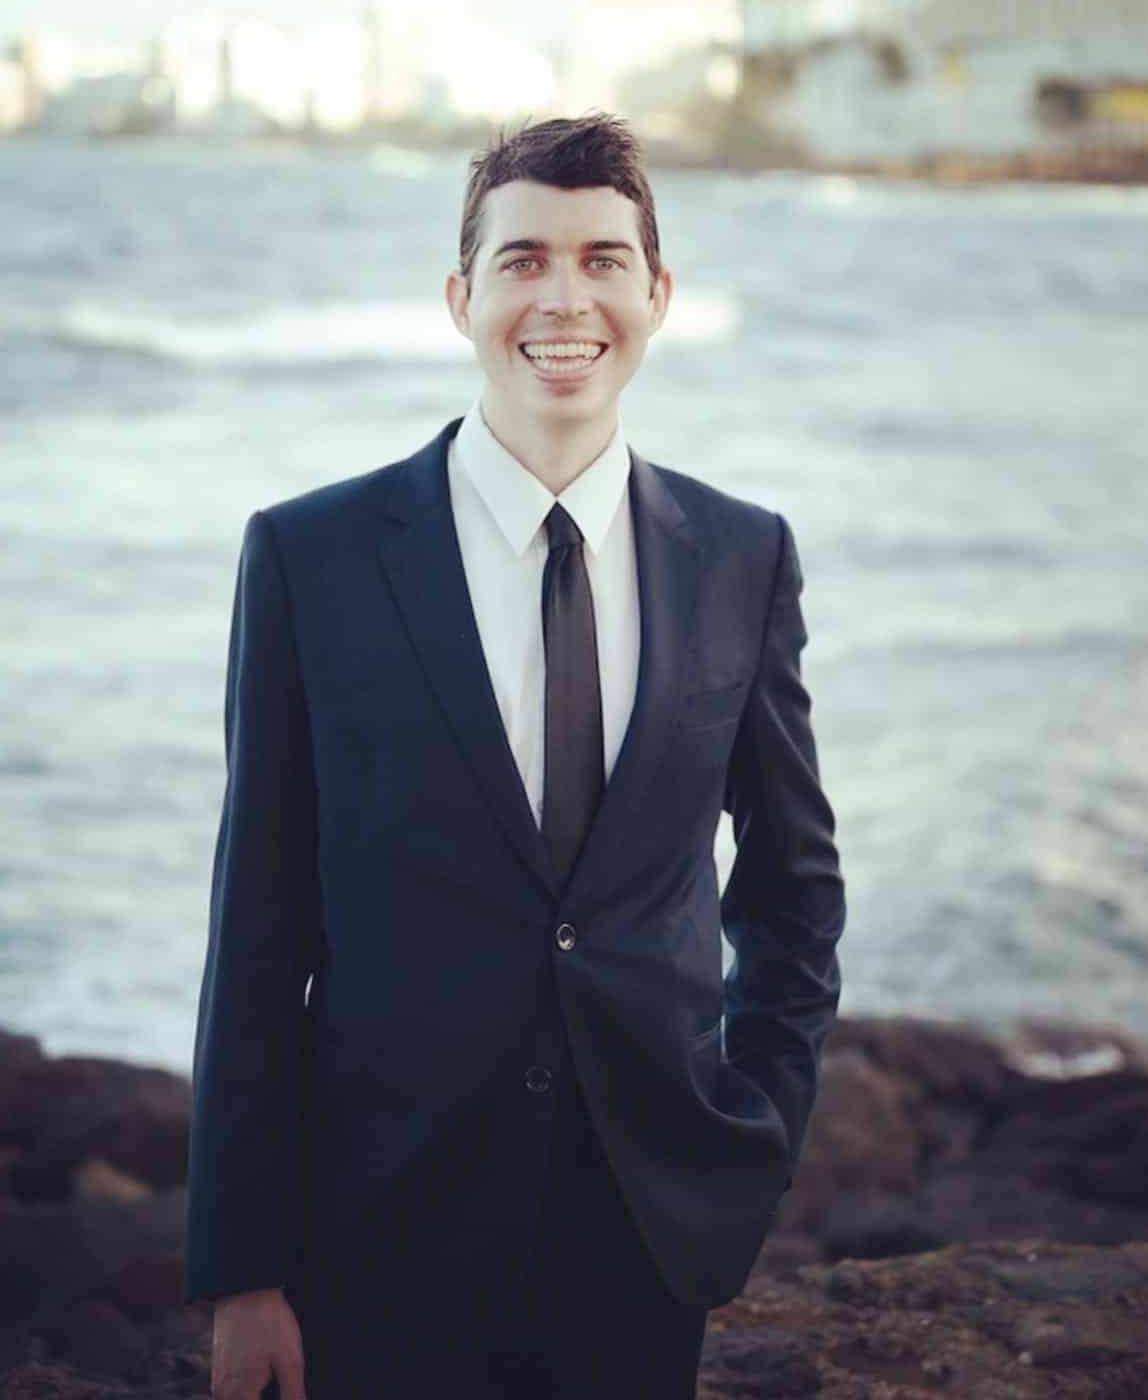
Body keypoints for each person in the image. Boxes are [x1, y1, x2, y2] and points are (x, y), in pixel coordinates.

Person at [183, 111, 846, 1400]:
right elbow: (256, 925)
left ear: (657, 295)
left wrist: (756, 1131)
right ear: (461, 296)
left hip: (647, 1226)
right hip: (375, 1225)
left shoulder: (743, 555)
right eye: (524, 259)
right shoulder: (309, 557)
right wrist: (242, 1264)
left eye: (603, 260)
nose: (565, 296)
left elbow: (792, 882)